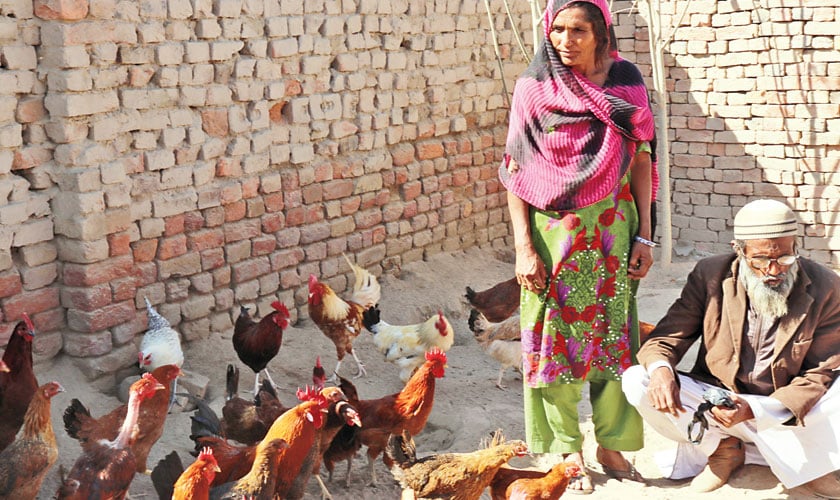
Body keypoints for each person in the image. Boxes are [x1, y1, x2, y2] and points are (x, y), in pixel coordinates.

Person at [499, 0, 657, 493]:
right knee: (555, 342)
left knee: (614, 338)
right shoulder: (534, 88)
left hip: (613, 231)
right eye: (559, 29)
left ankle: (611, 444)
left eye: (579, 31)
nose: (566, 40)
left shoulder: (625, 82)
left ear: (601, 33)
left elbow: (642, 160)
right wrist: (524, 248)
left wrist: (646, 235)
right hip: (554, 238)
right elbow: (516, 171)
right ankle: (567, 449)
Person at [622, 199, 840, 498]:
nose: (773, 270)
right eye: (761, 259)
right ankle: (724, 449)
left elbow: (821, 371)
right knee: (638, 379)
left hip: (782, 408)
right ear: (739, 250)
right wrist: (661, 370)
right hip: (720, 401)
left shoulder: (825, 285)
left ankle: (813, 468)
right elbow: (666, 338)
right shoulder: (711, 275)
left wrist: (758, 409)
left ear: (795, 245)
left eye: (785, 258)